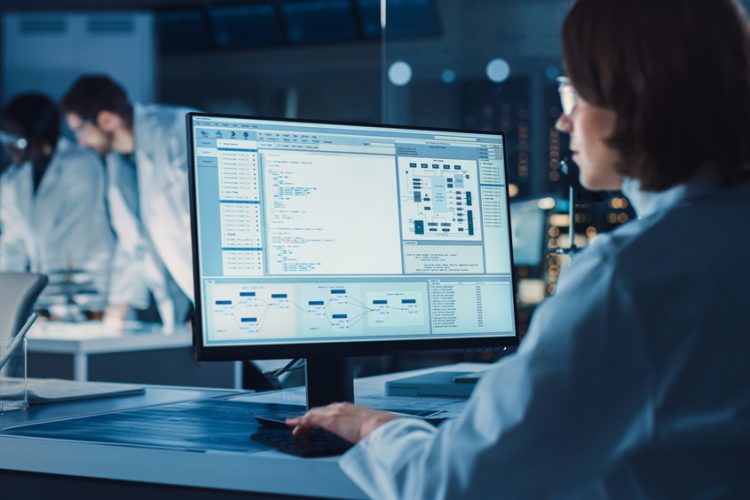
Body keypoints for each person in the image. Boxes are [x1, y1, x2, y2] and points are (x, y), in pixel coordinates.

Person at [287, 0, 750, 497]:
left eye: (575, 93)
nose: (563, 123)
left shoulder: (631, 277)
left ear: (632, 97)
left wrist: (372, 429)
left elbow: (453, 485)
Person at [61, 76, 194, 329]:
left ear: (106, 120)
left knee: (257, 366)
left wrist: (206, 315)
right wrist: (118, 305)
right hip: (176, 297)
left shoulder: (177, 130)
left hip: (214, 297)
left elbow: (218, 227)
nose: (80, 142)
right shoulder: (118, 161)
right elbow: (132, 241)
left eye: (80, 130)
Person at [0, 93, 114, 313]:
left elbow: (71, 240)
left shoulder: (80, 166)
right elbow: (12, 244)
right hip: (45, 298)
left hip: (88, 295)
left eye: (17, 140)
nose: (9, 148)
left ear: (39, 136)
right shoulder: (14, 179)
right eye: (6, 139)